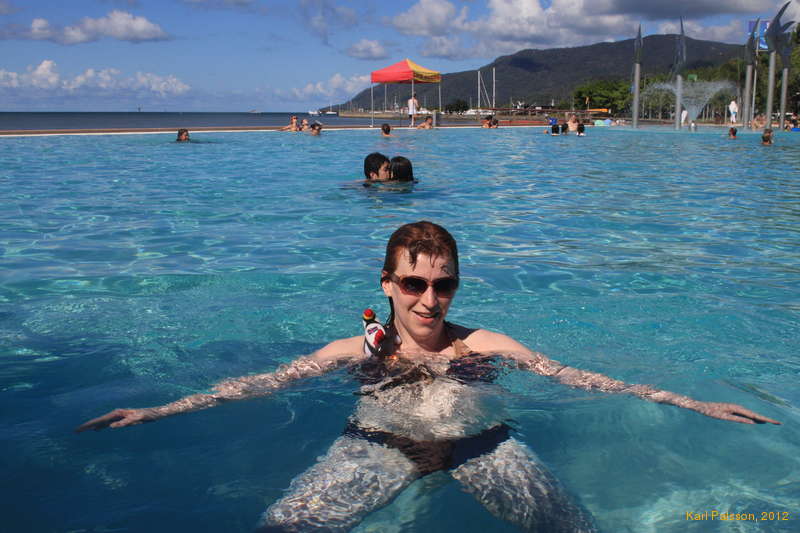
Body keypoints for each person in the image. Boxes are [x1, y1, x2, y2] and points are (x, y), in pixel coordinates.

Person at [76, 221, 779, 532]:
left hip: (484, 448)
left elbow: (577, 376)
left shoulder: (488, 341)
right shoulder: (354, 351)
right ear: (387, 282)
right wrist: (158, 413)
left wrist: (690, 401)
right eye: (413, 283)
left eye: (442, 285)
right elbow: (261, 383)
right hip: (375, 449)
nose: (428, 299)